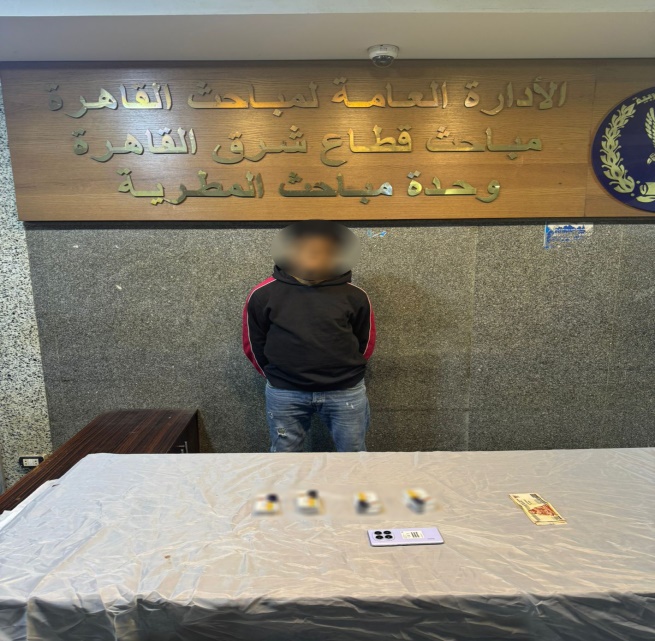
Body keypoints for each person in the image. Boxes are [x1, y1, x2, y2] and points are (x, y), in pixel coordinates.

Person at [242, 220, 375, 452]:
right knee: (285, 456)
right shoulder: (263, 294)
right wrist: (278, 375)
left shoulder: (355, 295)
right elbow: (254, 343)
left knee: (353, 455)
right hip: (285, 392)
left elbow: (365, 342)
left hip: (344, 391)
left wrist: (346, 371)